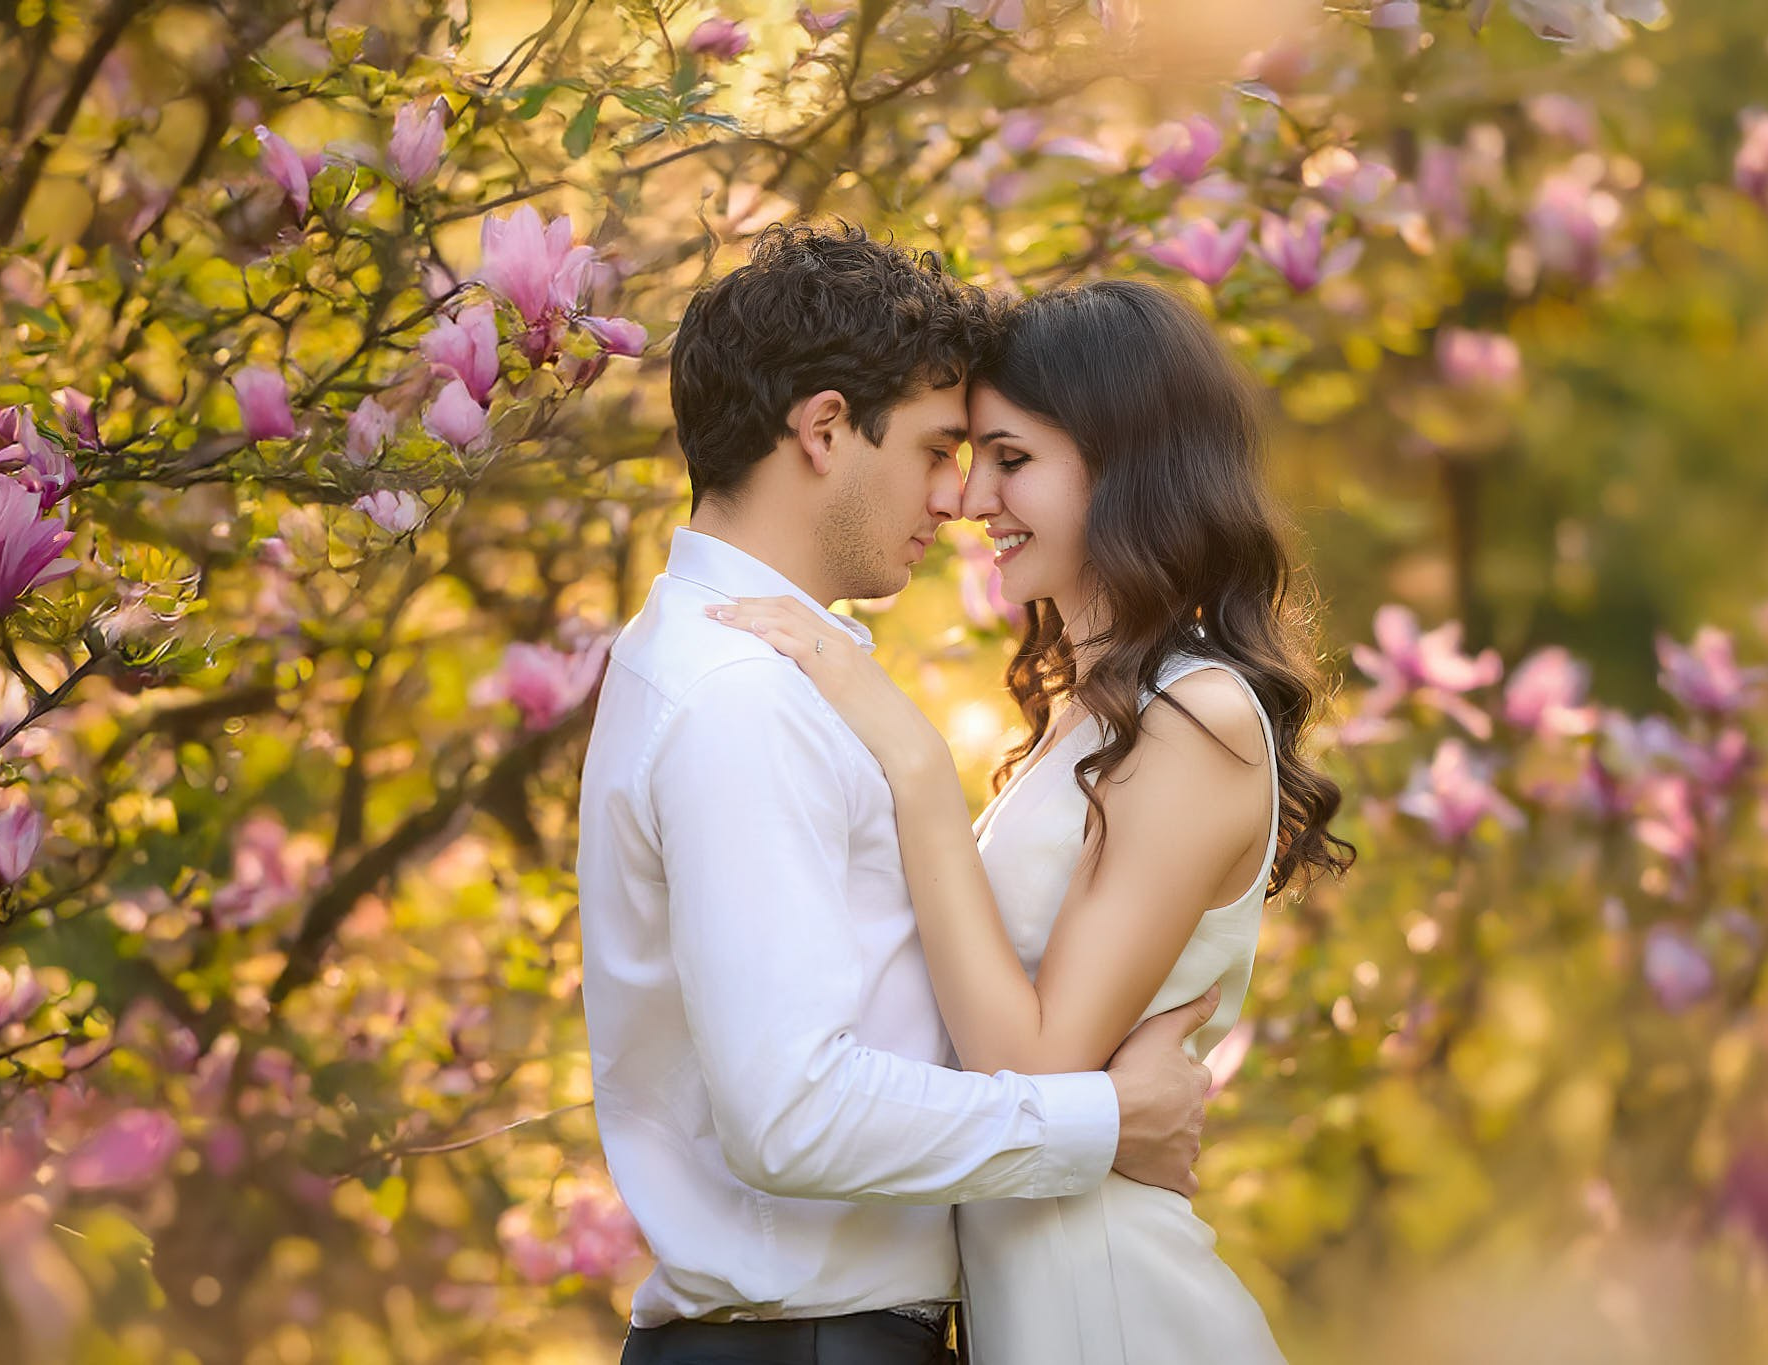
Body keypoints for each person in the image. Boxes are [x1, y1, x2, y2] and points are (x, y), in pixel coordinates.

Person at [576, 227, 1223, 1365]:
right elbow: (791, 1113)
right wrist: (1106, 1121)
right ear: (824, 430)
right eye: (935, 447)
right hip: (799, 1344)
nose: (957, 493)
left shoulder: (744, 668)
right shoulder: (740, 697)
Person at [709, 278, 1354, 1365]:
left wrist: (912, 760)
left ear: (1125, 462)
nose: (969, 500)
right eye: (967, 459)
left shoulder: (1196, 719)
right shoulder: (1089, 717)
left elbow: (1038, 1068)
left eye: (1011, 460)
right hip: (1033, 1305)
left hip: (1115, 1312)